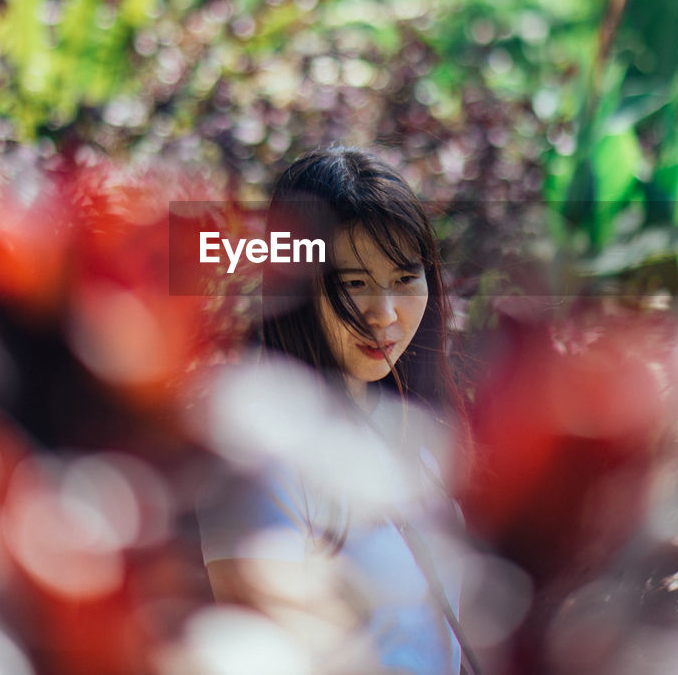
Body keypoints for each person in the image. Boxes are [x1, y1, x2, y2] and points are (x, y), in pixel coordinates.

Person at [196, 146, 473, 675]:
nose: (383, 313)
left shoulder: (412, 430)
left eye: (404, 279)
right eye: (353, 283)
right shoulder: (257, 445)